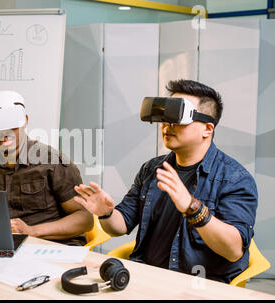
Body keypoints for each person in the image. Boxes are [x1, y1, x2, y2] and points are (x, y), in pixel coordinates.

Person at [74, 79, 258, 283]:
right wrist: (106, 213)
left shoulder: (234, 179)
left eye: (177, 117)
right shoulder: (152, 169)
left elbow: (233, 251)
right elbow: (120, 226)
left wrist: (193, 208)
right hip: (146, 278)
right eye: (165, 116)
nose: (167, 125)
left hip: (198, 287)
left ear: (207, 129)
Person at [0, 90, 93, 245]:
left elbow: (85, 218)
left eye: (11, 125)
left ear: (25, 121)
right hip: (5, 248)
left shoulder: (54, 162)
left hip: (54, 248)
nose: (3, 133)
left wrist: (31, 231)